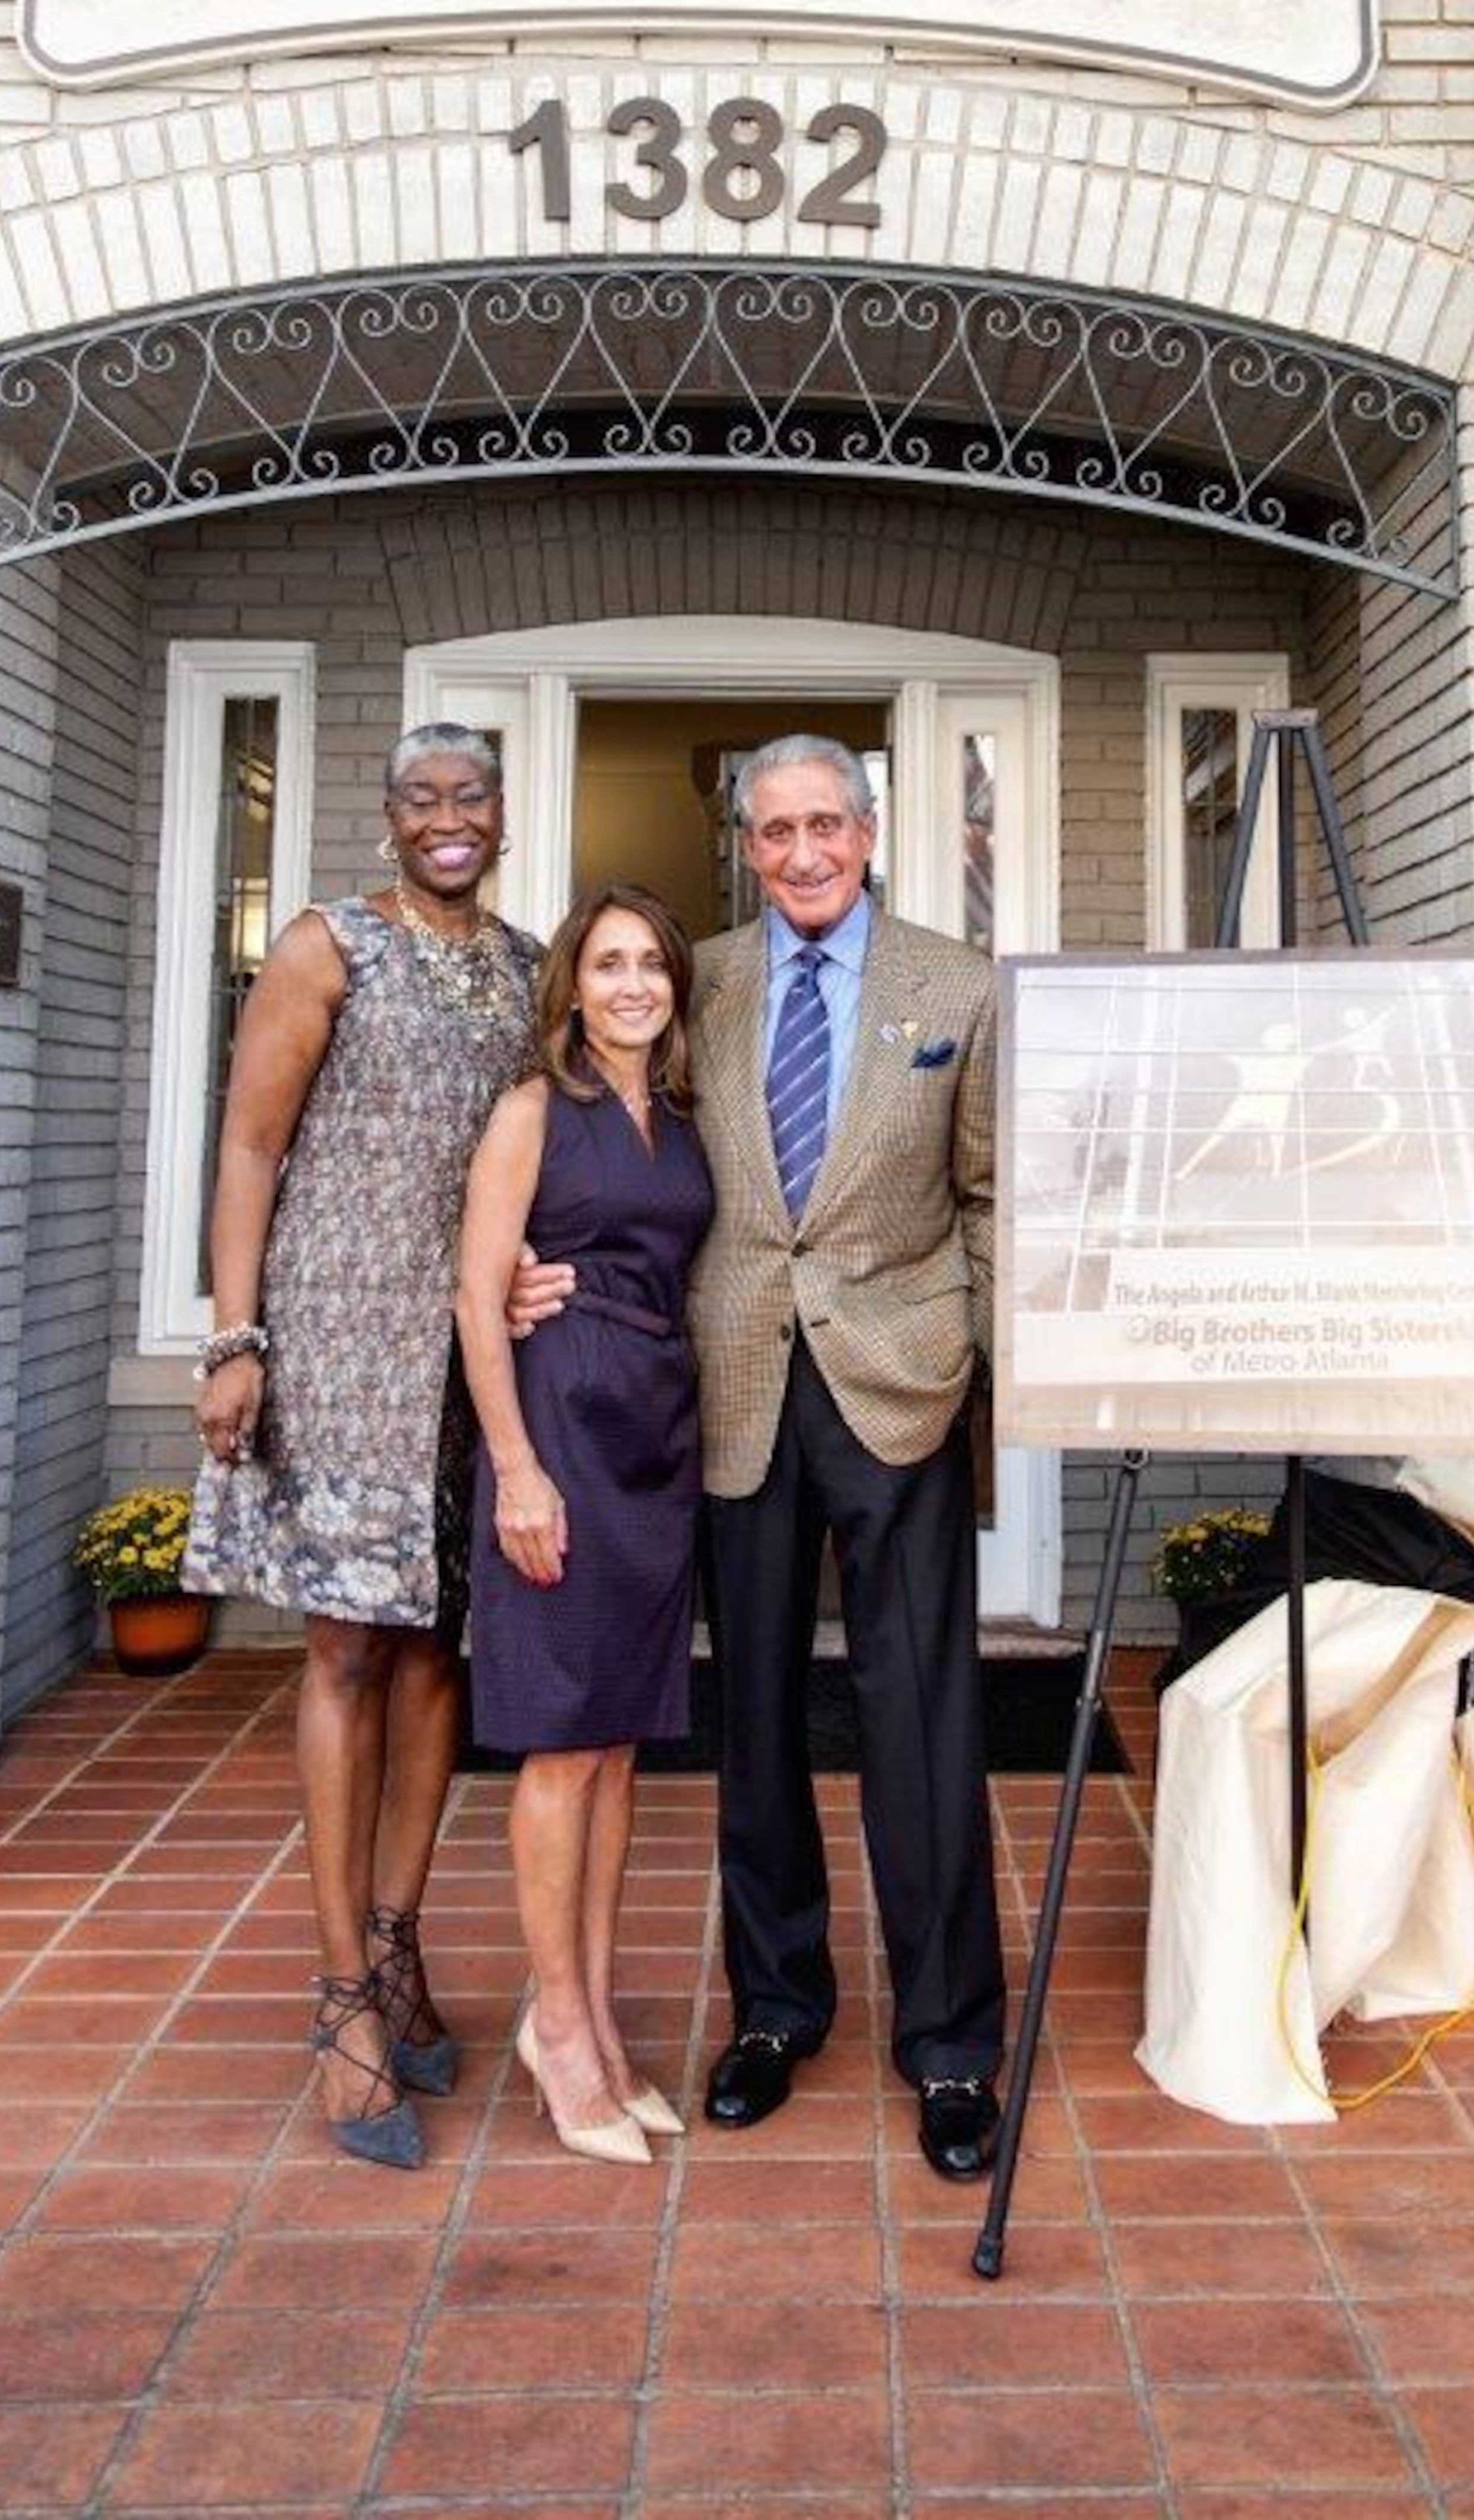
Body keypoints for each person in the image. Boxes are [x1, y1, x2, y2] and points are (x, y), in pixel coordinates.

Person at [513, 733, 1007, 2179]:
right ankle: (778, 2012)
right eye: (775, 831)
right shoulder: (701, 982)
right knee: (760, 1723)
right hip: (727, 1387)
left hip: (899, 1383)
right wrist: (534, 1266)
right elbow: (603, 1139)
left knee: (923, 1717)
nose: (802, 853)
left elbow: (992, 1191)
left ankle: (951, 2042)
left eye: (825, 826)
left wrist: (974, 1352)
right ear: (747, 845)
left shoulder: (959, 988)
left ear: (870, 832)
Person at [185, 724, 540, 2168]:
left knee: (439, 1649)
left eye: (470, 796)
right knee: (345, 1650)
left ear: (500, 816)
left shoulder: (525, 969)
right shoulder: (327, 945)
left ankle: (398, 1943)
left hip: (466, 1356)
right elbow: (250, 1146)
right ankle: (340, 1994)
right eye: (421, 798)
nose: (448, 817)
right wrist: (234, 1334)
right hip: (337, 1342)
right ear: (389, 819)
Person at [454, 885, 714, 2166]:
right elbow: (477, 1292)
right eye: (609, 963)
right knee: (562, 1747)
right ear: (571, 985)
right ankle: (555, 2024)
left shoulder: (680, 1116)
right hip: (560, 1423)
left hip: (656, 1434)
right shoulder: (533, 1110)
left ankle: (597, 2017)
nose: (632, 984)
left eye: (651, 963)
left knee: (617, 1748)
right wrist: (515, 1469)